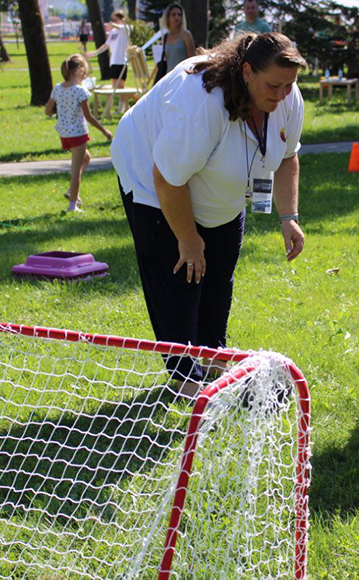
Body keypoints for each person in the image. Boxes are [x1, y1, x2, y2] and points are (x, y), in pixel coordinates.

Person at [110, 33, 306, 395]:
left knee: (219, 271)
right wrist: (187, 239)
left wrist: (288, 216)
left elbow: (287, 156)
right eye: (273, 85)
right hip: (153, 177)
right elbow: (167, 178)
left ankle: (214, 363)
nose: (281, 95)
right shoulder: (203, 103)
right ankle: (184, 378)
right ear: (246, 72)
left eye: (289, 85)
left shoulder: (287, 97)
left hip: (214, 186)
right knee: (181, 275)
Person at [44, 54, 113, 212]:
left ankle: (71, 191)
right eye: (85, 71)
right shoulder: (80, 91)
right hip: (78, 134)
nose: (86, 75)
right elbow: (88, 116)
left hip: (64, 134)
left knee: (86, 158)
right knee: (76, 171)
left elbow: (47, 111)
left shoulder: (57, 88)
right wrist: (105, 131)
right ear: (78, 71)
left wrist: (61, 108)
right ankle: (72, 206)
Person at [93, 11, 131, 111]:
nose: (113, 22)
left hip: (122, 61)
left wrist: (112, 24)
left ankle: (121, 108)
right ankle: (117, 107)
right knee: (114, 86)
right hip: (113, 62)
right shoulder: (113, 32)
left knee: (121, 87)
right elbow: (106, 45)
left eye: (115, 19)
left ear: (121, 19)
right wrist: (95, 53)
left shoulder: (125, 29)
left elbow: (121, 27)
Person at [159, 2, 196, 74]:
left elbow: (192, 59)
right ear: (168, 17)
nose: (177, 17)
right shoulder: (166, 37)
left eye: (179, 14)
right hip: (169, 76)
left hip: (183, 75)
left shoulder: (186, 35)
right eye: (173, 15)